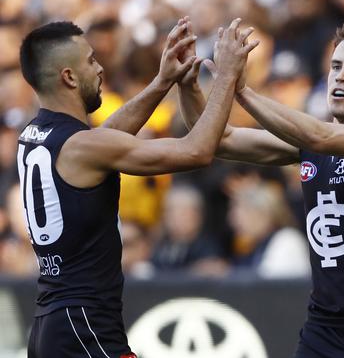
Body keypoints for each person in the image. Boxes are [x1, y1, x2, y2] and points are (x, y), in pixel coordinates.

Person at [178, 20, 344, 357]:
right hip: (324, 328)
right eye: (336, 66)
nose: (340, 76)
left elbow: (320, 136)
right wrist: (186, 83)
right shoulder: (312, 142)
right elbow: (216, 138)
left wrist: (239, 89)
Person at [17, 18, 257, 358]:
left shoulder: (35, 134)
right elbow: (197, 151)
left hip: (52, 322)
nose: (99, 68)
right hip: (84, 325)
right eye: (90, 61)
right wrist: (227, 76)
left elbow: (105, 140)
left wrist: (162, 82)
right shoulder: (83, 146)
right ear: (69, 77)